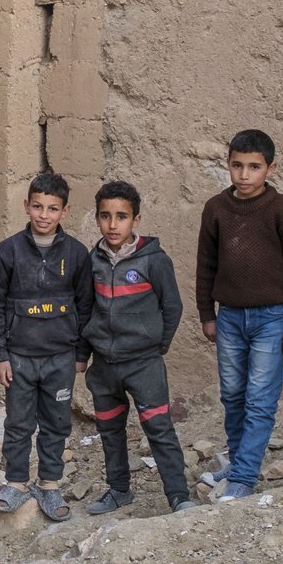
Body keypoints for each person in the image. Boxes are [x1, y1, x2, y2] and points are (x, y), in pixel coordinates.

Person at [195, 128, 283, 502]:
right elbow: (205, 265)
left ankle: (244, 478)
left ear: (270, 169)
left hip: (272, 319)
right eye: (237, 166)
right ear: (227, 166)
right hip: (229, 317)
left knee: (260, 399)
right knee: (232, 394)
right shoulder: (216, 209)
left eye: (254, 167)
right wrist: (206, 314)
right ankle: (236, 462)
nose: (244, 175)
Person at [0, 172, 93, 521]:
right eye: (38, 207)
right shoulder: (8, 251)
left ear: (65, 211)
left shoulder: (76, 254)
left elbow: (86, 305)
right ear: (26, 206)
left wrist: (80, 354)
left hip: (60, 357)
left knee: (56, 422)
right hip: (19, 358)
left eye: (52, 208)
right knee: (18, 421)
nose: (44, 215)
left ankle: (49, 484)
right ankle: (15, 483)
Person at [80, 180, 192, 515]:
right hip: (104, 365)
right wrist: (83, 355)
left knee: (158, 428)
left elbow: (172, 307)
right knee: (110, 430)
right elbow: (86, 309)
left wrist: (158, 344)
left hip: (143, 364)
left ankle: (178, 495)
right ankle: (119, 490)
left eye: (122, 217)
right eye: (105, 216)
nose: (113, 225)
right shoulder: (94, 261)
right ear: (97, 219)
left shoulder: (154, 261)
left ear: (136, 220)